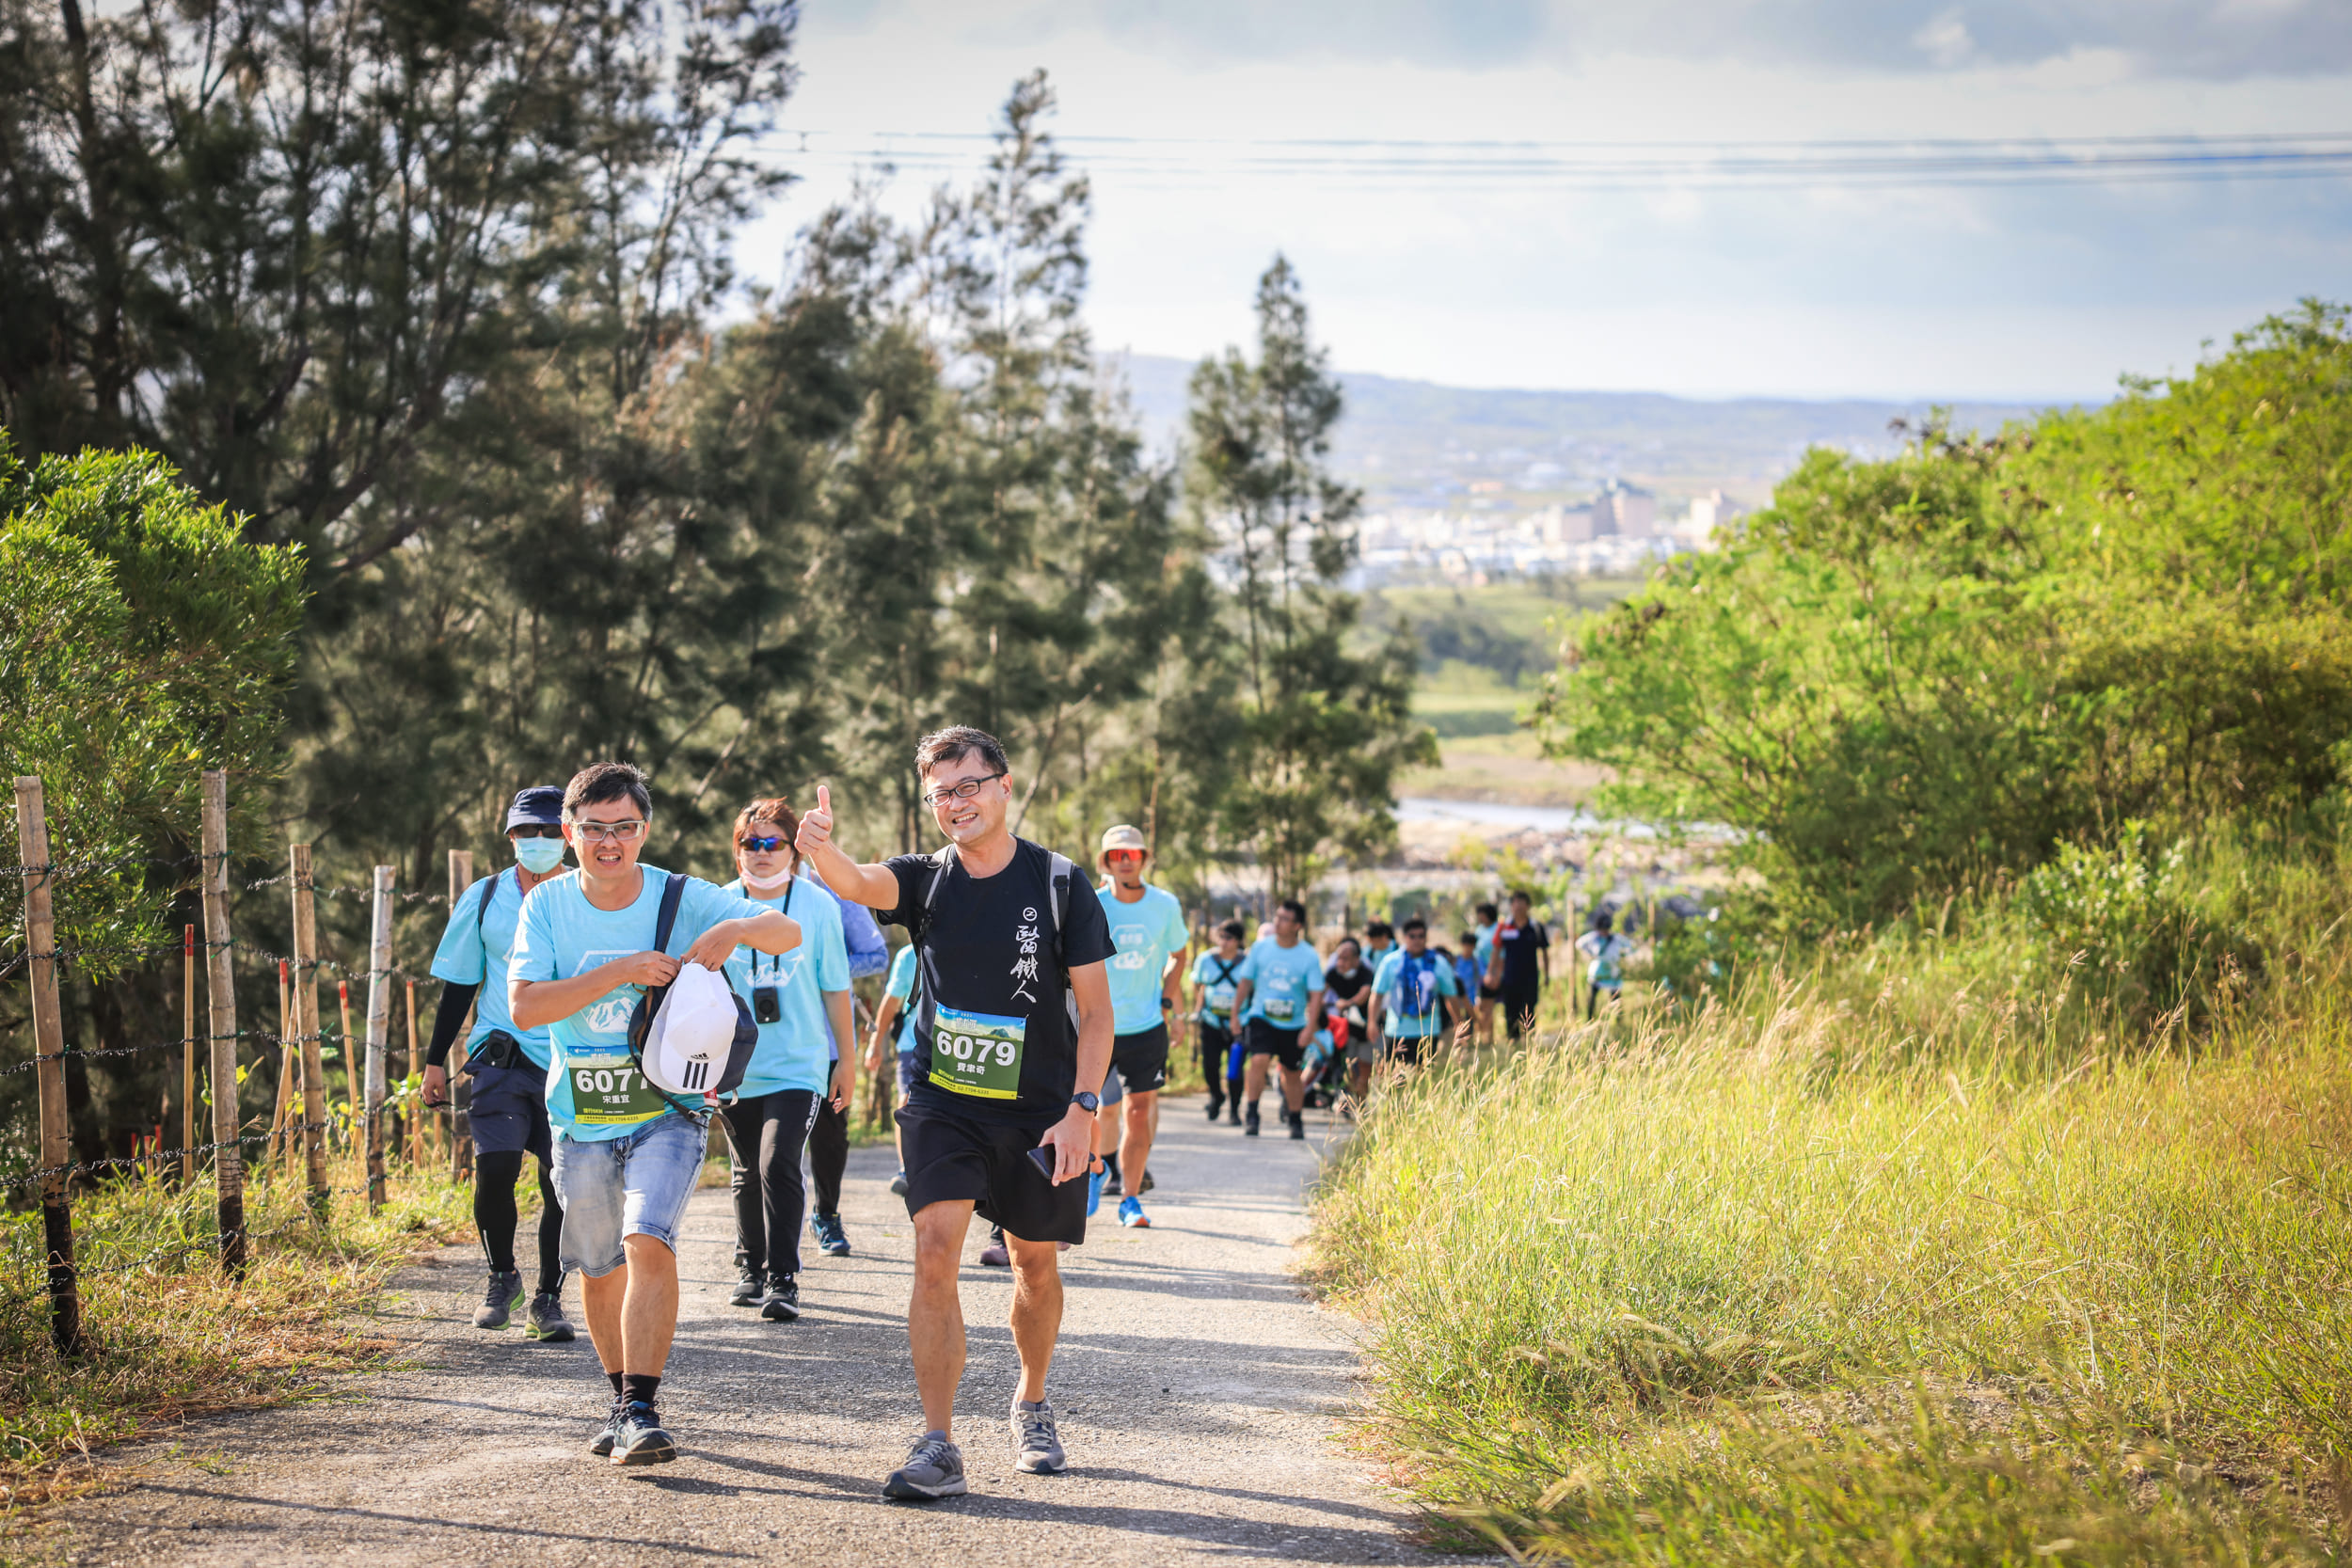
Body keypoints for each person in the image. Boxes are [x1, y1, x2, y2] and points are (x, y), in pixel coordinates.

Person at [794, 725, 1116, 1500]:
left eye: (969, 785)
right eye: (941, 793)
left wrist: (1082, 1108)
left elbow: (1098, 1013)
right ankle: (937, 1441)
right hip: (942, 1100)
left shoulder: (1062, 883)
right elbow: (860, 882)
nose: (955, 803)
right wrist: (818, 851)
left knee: (1034, 1262)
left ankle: (1031, 1402)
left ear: (1004, 785)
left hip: (1040, 1108)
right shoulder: (926, 879)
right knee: (934, 1243)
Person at [509, 762, 802, 1466]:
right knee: (599, 1264)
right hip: (578, 1112)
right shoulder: (545, 907)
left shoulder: (681, 894)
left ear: (645, 829)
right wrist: (622, 970)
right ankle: (618, 1397)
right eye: (595, 829)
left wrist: (734, 927)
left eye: (625, 828)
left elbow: (785, 931)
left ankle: (642, 1404)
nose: (610, 842)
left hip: (668, 1106)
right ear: (570, 832)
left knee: (649, 1239)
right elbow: (525, 1006)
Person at [421, 785, 576, 1342]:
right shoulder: (485, 898)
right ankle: (501, 1276)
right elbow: (462, 983)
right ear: (510, 837)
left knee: (563, 1180)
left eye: (550, 830)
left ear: (570, 835)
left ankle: (549, 1298)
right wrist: (435, 1061)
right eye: (527, 831)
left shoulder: (593, 896)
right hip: (500, 1054)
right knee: (494, 1169)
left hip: (571, 1058)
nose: (539, 841)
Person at [718, 797, 853, 1323]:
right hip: (734, 1067)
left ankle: (783, 1278)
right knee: (746, 1170)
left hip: (800, 1063)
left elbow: (836, 989)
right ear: (737, 853)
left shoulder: (818, 905)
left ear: (793, 851)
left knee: (778, 1163)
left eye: (774, 843)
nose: (762, 852)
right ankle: (750, 1266)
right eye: (750, 844)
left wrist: (846, 1061)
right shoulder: (718, 904)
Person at [1089, 824, 1188, 1229]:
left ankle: (1129, 1199)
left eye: (1132, 855)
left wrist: (1169, 999)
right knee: (1093, 1109)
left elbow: (1179, 955)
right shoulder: (1091, 904)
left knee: (1139, 1108)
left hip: (1146, 1026)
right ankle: (1094, 1170)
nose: (1125, 862)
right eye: (1116, 855)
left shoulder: (1165, 905)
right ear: (1106, 861)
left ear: (1144, 859)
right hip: (1098, 1025)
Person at [803, 860, 889, 1259]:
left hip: (828, 1043)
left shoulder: (835, 895)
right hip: (765, 1044)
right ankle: (754, 1237)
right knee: (758, 1143)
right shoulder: (746, 896)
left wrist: (822, 967)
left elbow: (875, 955)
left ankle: (826, 1214)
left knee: (829, 1137)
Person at [1229, 898, 1326, 1140]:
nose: (1278, 922)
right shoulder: (1261, 948)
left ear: (1297, 925)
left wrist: (1309, 1027)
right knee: (1259, 1060)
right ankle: (1252, 1113)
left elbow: (1315, 995)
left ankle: (1295, 1118)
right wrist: (1235, 1013)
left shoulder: (1308, 955)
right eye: (1278, 917)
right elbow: (1245, 982)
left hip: (1293, 1024)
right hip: (1261, 1017)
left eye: (1285, 919)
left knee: (1292, 1074)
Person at [1370, 916, 1467, 1068]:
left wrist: (1459, 1026)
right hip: (1397, 1030)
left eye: (1421, 936)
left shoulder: (1438, 963)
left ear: (1426, 937)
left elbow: (1451, 996)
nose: (1417, 940)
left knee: (1424, 1077)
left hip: (1428, 1030)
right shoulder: (1391, 962)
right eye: (1412, 936)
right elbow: (1377, 994)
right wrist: (1371, 1022)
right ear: (1404, 937)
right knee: (1395, 1079)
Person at [866, 941, 920, 1196]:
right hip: (912, 1042)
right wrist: (875, 1043)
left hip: (952, 1045)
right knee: (906, 1104)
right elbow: (891, 1001)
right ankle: (906, 1168)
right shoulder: (907, 956)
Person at [1188, 921, 1248, 1124]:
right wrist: (1200, 1007)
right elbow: (1197, 983)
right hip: (1211, 1021)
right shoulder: (1206, 959)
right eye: (1220, 936)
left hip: (1239, 1024)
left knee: (1235, 1069)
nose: (1223, 942)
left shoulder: (1247, 962)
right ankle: (1216, 1095)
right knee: (1210, 1065)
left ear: (1238, 941)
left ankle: (1234, 1110)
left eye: (1229, 938)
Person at [1486, 889, 1552, 1040]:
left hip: (1530, 978)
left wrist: (1547, 974)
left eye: (1521, 904)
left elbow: (1544, 952)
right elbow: (1496, 950)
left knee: (1528, 1011)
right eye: (1515, 904)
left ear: (1528, 906)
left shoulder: (1535, 928)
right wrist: (1490, 972)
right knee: (1510, 1011)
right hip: (1509, 978)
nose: (1518, 908)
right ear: (1511, 907)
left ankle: (1529, 1041)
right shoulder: (1504, 927)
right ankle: (1512, 1042)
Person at [1322, 936, 1376, 1104]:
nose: (1340, 962)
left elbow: (1364, 994)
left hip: (1368, 1028)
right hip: (1347, 1028)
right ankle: (1349, 1101)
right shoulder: (1332, 973)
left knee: (1365, 1066)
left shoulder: (1366, 973)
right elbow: (1320, 994)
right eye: (1338, 957)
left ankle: (1361, 1103)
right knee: (1349, 1065)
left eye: (1345, 958)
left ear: (1356, 959)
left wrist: (1347, 1003)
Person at [1578, 909, 1633, 1020]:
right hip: (1597, 973)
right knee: (1592, 998)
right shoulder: (1594, 937)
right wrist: (1591, 953)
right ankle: (1590, 1019)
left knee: (1616, 998)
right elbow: (1579, 943)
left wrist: (1622, 955)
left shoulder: (1615, 939)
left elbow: (1631, 946)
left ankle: (1619, 1020)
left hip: (1612, 973)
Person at [1470, 901, 1502, 1046]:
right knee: (1481, 1007)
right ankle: (1484, 1036)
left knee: (1488, 1007)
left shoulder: (1498, 929)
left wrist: (1494, 974)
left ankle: (1488, 1039)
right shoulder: (1479, 930)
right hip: (1481, 975)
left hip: (1494, 974)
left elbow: (1501, 954)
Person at [1451, 930, 1484, 1012]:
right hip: (1456, 1001)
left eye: (1471, 946)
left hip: (1470, 1001)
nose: (1469, 948)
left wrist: (1479, 997)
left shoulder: (1476, 962)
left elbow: (1482, 979)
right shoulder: (1455, 960)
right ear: (1462, 944)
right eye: (1467, 945)